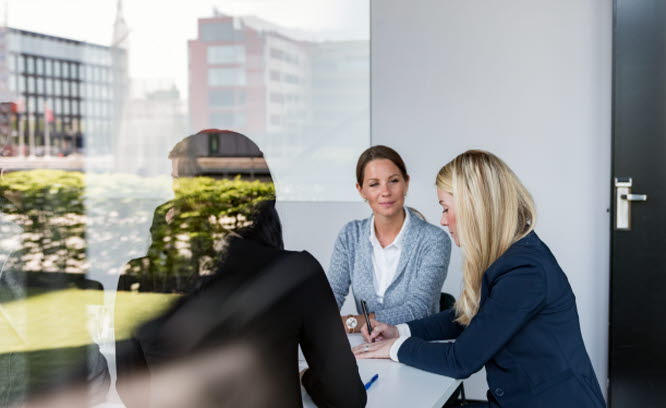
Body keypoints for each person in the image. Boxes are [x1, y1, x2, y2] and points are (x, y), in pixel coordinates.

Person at [116, 132, 366, 408]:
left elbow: (132, 392)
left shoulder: (136, 276)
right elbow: (347, 398)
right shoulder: (298, 272)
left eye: (176, 180)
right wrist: (306, 377)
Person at [353, 150, 606, 408]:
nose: (442, 220)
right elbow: (471, 316)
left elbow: (460, 360)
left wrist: (395, 348)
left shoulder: (525, 271)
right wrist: (401, 330)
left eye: (446, 208)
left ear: (473, 209)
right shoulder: (510, 254)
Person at [328, 145, 451, 332]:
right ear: (361, 190)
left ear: (406, 183)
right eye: (374, 184)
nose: (385, 192)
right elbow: (330, 298)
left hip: (416, 347)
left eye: (393, 181)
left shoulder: (433, 240)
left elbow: (418, 310)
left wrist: (352, 322)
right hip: (367, 349)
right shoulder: (350, 236)